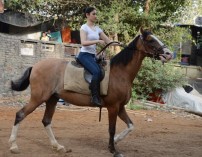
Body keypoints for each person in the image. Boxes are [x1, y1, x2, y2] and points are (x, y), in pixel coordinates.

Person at [77, 6, 120, 107]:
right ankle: (94, 97)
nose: (96, 16)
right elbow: (83, 42)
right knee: (96, 71)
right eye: (94, 14)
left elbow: (108, 42)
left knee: (102, 71)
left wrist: (118, 43)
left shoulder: (97, 29)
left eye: (96, 14)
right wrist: (97, 41)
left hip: (93, 56)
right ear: (87, 15)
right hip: (84, 55)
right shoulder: (84, 27)